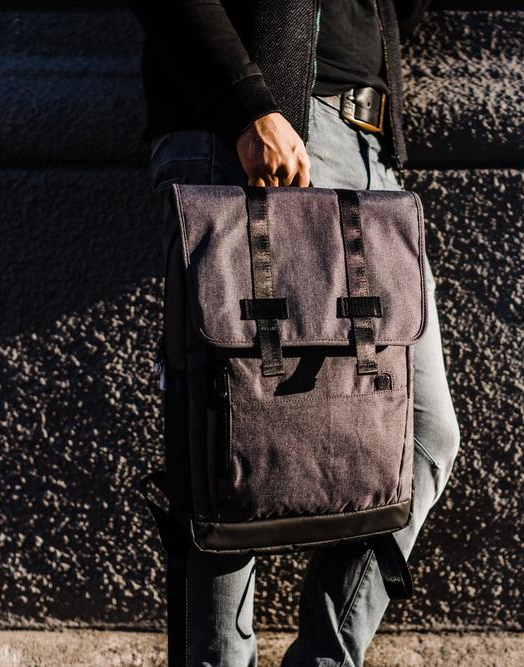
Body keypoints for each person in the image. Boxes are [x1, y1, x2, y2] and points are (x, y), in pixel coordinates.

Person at [129, 2, 461, 665]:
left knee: (424, 436)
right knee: (232, 448)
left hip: (368, 147)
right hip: (256, 129)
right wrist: (248, 106)